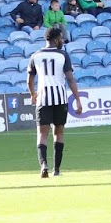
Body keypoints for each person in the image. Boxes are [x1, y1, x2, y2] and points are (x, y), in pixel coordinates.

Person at [27, 25, 80, 179]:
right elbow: (70, 78)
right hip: (60, 99)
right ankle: (56, 170)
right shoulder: (62, 55)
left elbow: (30, 80)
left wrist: (33, 94)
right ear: (56, 40)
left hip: (43, 99)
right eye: (62, 38)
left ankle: (43, 165)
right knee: (59, 133)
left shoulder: (35, 56)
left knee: (42, 134)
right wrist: (77, 99)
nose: (62, 41)